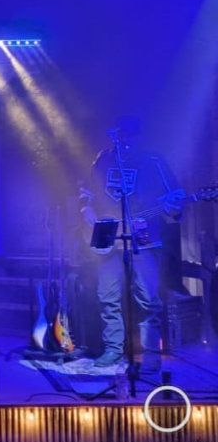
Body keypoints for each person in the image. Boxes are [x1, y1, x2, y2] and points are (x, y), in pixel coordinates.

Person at [79, 116, 182, 373]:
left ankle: (150, 356)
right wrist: (89, 215)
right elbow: (86, 195)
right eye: (121, 137)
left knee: (148, 299)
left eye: (129, 137)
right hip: (109, 238)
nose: (125, 142)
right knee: (108, 296)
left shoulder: (153, 162)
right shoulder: (103, 158)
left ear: (138, 137)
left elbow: (175, 199)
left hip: (144, 238)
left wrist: (174, 206)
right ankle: (113, 349)